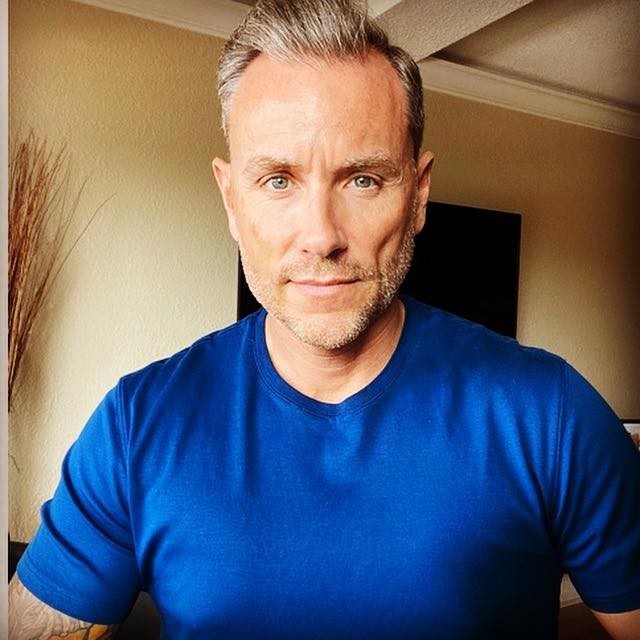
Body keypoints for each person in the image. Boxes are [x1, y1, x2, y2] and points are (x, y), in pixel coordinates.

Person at [9, 0, 640, 638]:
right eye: (277, 180)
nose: (321, 236)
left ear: (418, 194)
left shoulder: (550, 413)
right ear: (231, 199)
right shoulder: (137, 426)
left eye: (363, 179)